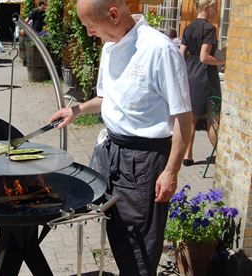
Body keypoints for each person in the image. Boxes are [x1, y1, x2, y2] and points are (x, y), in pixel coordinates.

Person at [49, 1, 192, 275]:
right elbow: (106, 98)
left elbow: (184, 119)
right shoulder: (110, 47)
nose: (90, 33)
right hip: (112, 153)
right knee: (117, 232)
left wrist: (171, 171)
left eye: (91, 26)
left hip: (145, 161)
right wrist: (75, 110)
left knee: (139, 247)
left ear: (113, 14)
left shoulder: (159, 50)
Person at [180, 0, 225, 166]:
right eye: (214, 8)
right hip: (206, 78)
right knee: (212, 120)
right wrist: (224, 60)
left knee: (191, 119)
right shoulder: (209, 29)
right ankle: (222, 156)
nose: (216, 11)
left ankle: (187, 156)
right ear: (206, 8)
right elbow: (204, 57)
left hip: (190, 75)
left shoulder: (189, 28)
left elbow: (181, 54)